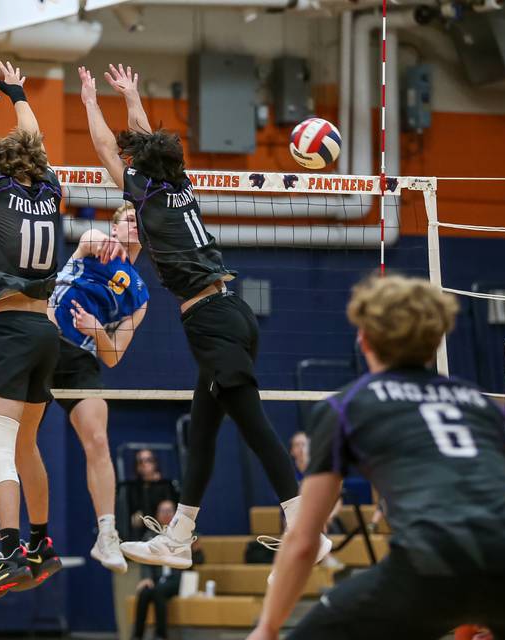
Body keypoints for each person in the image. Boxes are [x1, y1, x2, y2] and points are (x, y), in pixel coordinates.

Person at [77, 63, 330, 569]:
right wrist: (131, 94)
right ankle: (179, 535)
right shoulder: (179, 184)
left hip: (212, 321)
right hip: (231, 313)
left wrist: (89, 101)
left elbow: (108, 148)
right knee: (203, 432)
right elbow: (146, 142)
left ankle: (307, 527)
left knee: (255, 425)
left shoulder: (146, 194)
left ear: (142, 167)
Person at [247, 275, 505, 640]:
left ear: (364, 339)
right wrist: (485, 609)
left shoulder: (347, 405)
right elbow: (502, 505)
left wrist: (267, 627)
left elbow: (304, 539)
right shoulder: (481, 404)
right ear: (436, 339)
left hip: (430, 564)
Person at [0, 61, 118, 600]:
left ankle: (8, 554)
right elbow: (38, 146)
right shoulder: (51, 187)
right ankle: (41, 544)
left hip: (8, 330)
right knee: (27, 444)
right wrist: (17, 93)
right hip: (45, 334)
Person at [0, 202, 146, 574]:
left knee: (98, 440)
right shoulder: (94, 245)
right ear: (116, 227)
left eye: (141, 221)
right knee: (18, 437)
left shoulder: (140, 294)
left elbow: (114, 356)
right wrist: (103, 239)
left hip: (81, 357)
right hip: (45, 341)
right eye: (129, 220)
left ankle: (107, 535)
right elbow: (88, 237)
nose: (136, 226)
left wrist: (96, 330)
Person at [131, 499, 204, 640]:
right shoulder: (150, 536)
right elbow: (145, 561)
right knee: (144, 592)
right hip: (158, 578)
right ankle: (137, 635)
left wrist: (197, 552)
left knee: (159, 591)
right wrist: (145, 578)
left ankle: (160, 635)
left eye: (169, 511)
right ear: (157, 514)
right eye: (163, 511)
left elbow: (199, 561)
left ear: (176, 514)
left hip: (178, 579)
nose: (166, 514)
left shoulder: (186, 533)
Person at [126, 448, 179, 541]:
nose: (144, 464)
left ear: (155, 462)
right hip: (144, 533)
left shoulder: (166, 484)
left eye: (148, 460)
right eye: (140, 461)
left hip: (168, 530)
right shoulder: (134, 488)